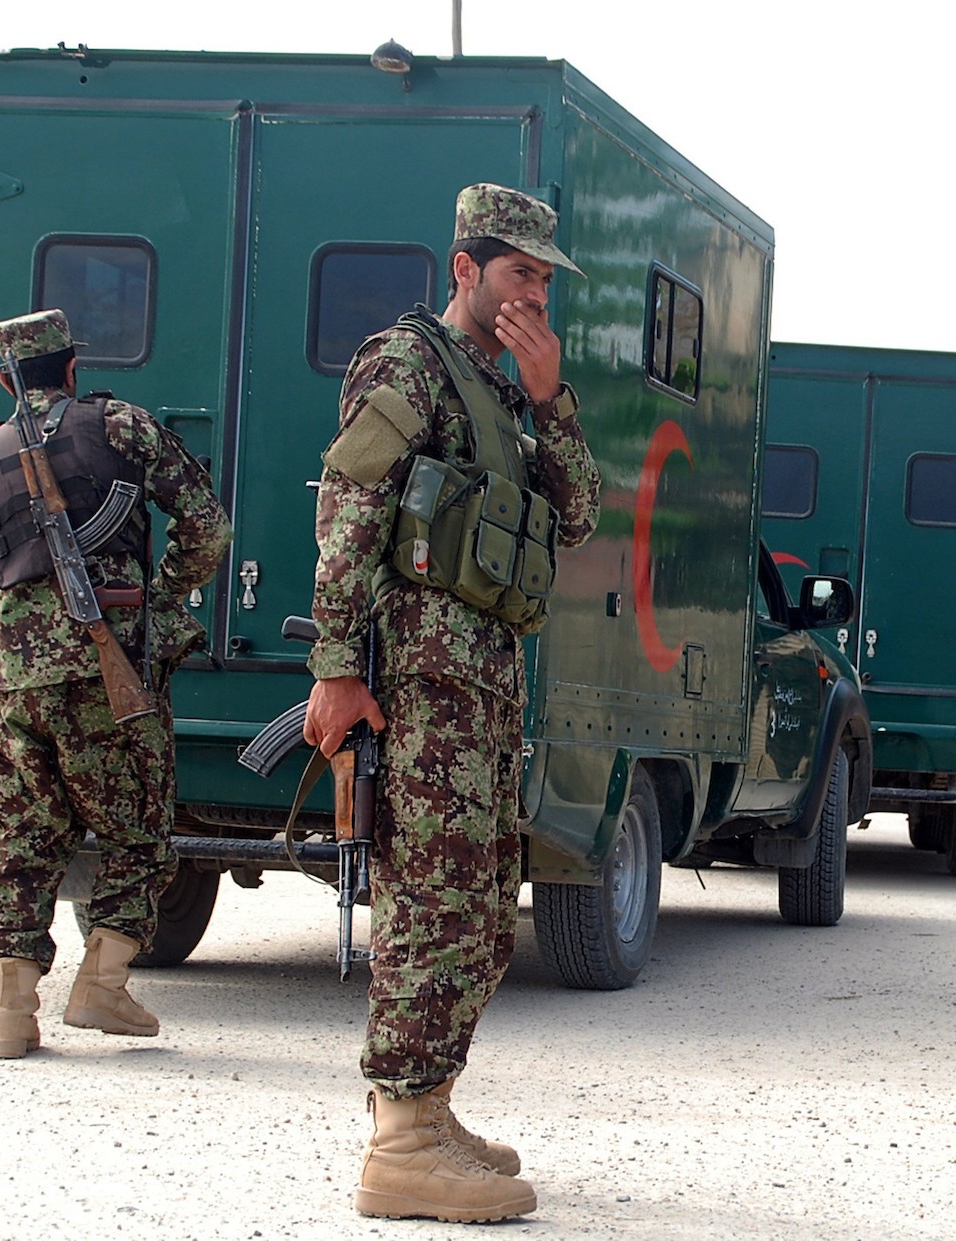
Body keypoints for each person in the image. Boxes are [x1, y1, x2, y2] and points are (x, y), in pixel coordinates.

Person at [301, 183, 600, 1222]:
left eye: (545, 279)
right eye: (518, 272)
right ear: (465, 268)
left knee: (478, 908)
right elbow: (350, 505)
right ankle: (399, 1145)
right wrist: (337, 665)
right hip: (419, 684)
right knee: (430, 904)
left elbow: (577, 515)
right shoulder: (409, 362)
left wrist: (552, 399)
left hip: (480, 687)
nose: (534, 293)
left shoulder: (506, 391)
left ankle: (428, 1107)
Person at [0, 308, 231, 1059]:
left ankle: (10, 1010)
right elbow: (207, 526)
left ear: (6, 381)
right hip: (108, 670)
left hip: (17, 681)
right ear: (71, 367)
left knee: (25, 835)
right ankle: (101, 984)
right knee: (138, 829)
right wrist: (160, 595)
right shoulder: (121, 426)